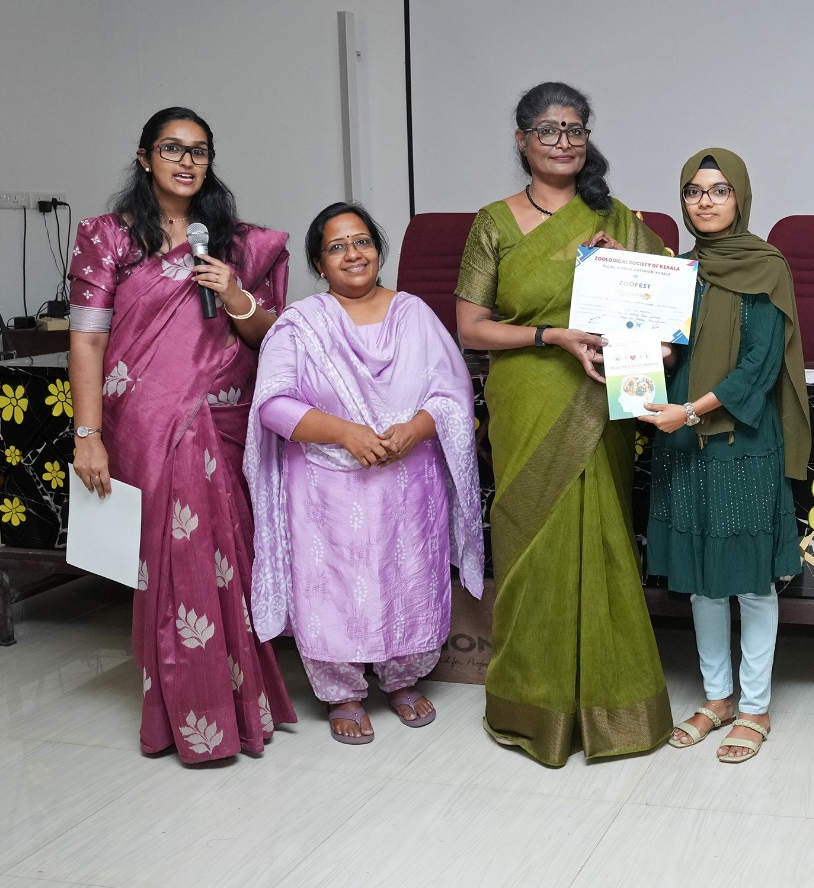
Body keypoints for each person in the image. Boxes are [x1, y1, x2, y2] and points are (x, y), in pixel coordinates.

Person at [68, 107, 297, 763]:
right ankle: (185, 719)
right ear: (145, 158)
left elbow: (271, 337)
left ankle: (240, 709)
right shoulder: (107, 237)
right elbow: (87, 340)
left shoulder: (236, 243)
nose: (187, 161)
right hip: (148, 421)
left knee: (230, 561)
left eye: (199, 150)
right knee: (170, 567)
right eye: (172, 148)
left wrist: (235, 295)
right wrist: (87, 435)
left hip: (223, 417)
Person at [455, 81, 673, 766]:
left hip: (599, 399)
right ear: (522, 139)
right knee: (531, 546)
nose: (563, 142)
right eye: (548, 130)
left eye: (575, 130)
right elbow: (471, 327)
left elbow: (668, 308)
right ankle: (532, 707)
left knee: (603, 541)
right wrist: (553, 336)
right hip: (528, 395)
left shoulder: (618, 220)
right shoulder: (493, 223)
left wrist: (625, 270)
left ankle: (616, 711)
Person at [245, 202, 483, 745]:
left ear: (378, 249)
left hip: (408, 480)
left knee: (408, 576)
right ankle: (342, 692)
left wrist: (415, 429)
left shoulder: (414, 314)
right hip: (325, 487)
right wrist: (345, 433)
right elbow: (273, 405)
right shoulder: (300, 325)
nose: (352, 254)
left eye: (361, 242)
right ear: (318, 263)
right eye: (336, 247)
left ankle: (403, 678)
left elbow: (452, 395)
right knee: (332, 586)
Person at [642, 149, 811, 764]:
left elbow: (759, 369)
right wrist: (619, 282)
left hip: (742, 442)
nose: (705, 201)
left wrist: (690, 411)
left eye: (719, 190)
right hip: (683, 442)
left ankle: (755, 706)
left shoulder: (766, 267)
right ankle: (717, 699)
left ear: (740, 196)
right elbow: (665, 352)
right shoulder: (676, 271)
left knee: (752, 583)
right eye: (693, 191)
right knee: (701, 582)